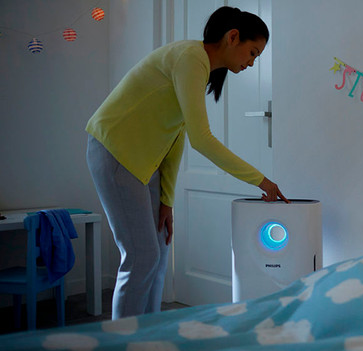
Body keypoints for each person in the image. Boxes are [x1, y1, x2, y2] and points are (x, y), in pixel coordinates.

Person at [85, 6, 288, 320]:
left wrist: (166, 201)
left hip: (144, 162)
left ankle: (149, 333)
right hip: (115, 152)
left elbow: (176, 135)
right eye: (252, 52)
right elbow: (201, 140)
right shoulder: (190, 58)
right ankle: (122, 340)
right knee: (142, 256)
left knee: (160, 250)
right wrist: (262, 181)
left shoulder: (199, 66)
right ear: (232, 37)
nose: (251, 62)